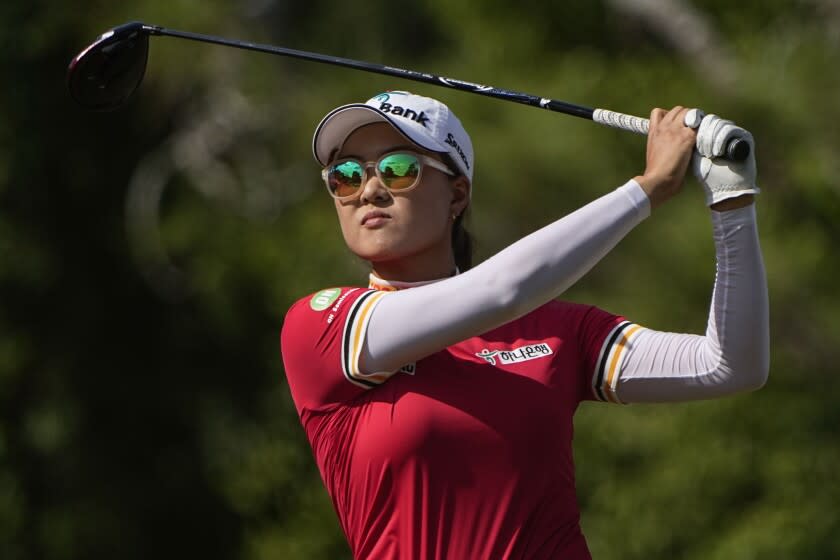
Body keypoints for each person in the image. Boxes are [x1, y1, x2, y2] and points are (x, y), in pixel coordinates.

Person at [280, 90, 769, 559]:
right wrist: (646, 189)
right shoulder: (320, 325)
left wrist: (732, 201)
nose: (368, 190)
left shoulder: (554, 328)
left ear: (457, 194)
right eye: (344, 176)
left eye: (398, 169)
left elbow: (729, 366)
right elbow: (501, 291)